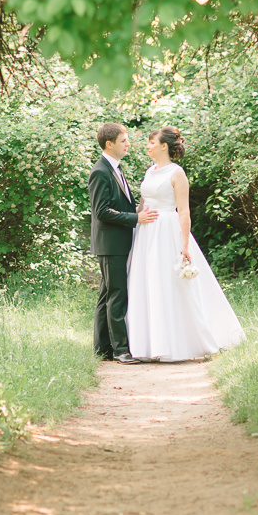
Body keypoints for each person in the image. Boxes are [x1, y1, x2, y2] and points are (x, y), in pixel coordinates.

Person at [126, 125, 245, 361]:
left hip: (167, 230)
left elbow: (184, 211)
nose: (148, 146)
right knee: (148, 283)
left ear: (164, 146)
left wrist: (184, 244)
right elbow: (141, 206)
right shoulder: (150, 171)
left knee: (171, 284)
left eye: (152, 142)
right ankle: (149, 344)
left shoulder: (176, 172)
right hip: (146, 234)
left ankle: (181, 341)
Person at [89, 122, 157, 364]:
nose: (128, 144)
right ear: (110, 144)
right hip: (111, 243)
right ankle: (120, 350)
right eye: (124, 141)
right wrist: (135, 218)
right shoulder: (101, 171)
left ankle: (103, 349)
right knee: (117, 294)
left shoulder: (115, 168)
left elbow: (120, 204)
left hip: (117, 242)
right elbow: (102, 211)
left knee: (107, 294)